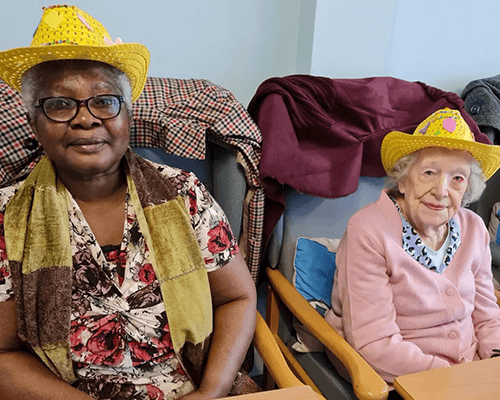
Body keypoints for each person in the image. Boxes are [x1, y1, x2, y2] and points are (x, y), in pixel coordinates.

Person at [0, 5, 257, 400]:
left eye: (105, 100)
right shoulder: (7, 218)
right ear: (34, 123)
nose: (86, 119)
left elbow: (237, 298)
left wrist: (210, 392)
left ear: (128, 114)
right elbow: (3, 354)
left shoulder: (184, 194)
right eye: (60, 104)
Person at [325, 108, 500, 396]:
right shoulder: (367, 232)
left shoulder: (474, 228)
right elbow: (374, 344)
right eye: (429, 172)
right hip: (402, 379)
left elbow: (487, 315)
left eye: (458, 178)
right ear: (403, 179)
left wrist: (493, 361)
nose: (442, 191)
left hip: (473, 371)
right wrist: (454, 379)